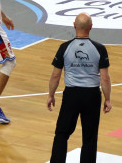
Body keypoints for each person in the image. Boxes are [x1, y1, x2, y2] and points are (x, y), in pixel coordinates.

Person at [47, 13, 111, 163]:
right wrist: (107, 99)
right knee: (89, 137)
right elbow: (105, 78)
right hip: (92, 95)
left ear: (74, 26)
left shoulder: (64, 47)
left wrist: (51, 95)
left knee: (62, 133)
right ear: (91, 27)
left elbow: (55, 75)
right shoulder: (100, 49)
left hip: (71, 95)